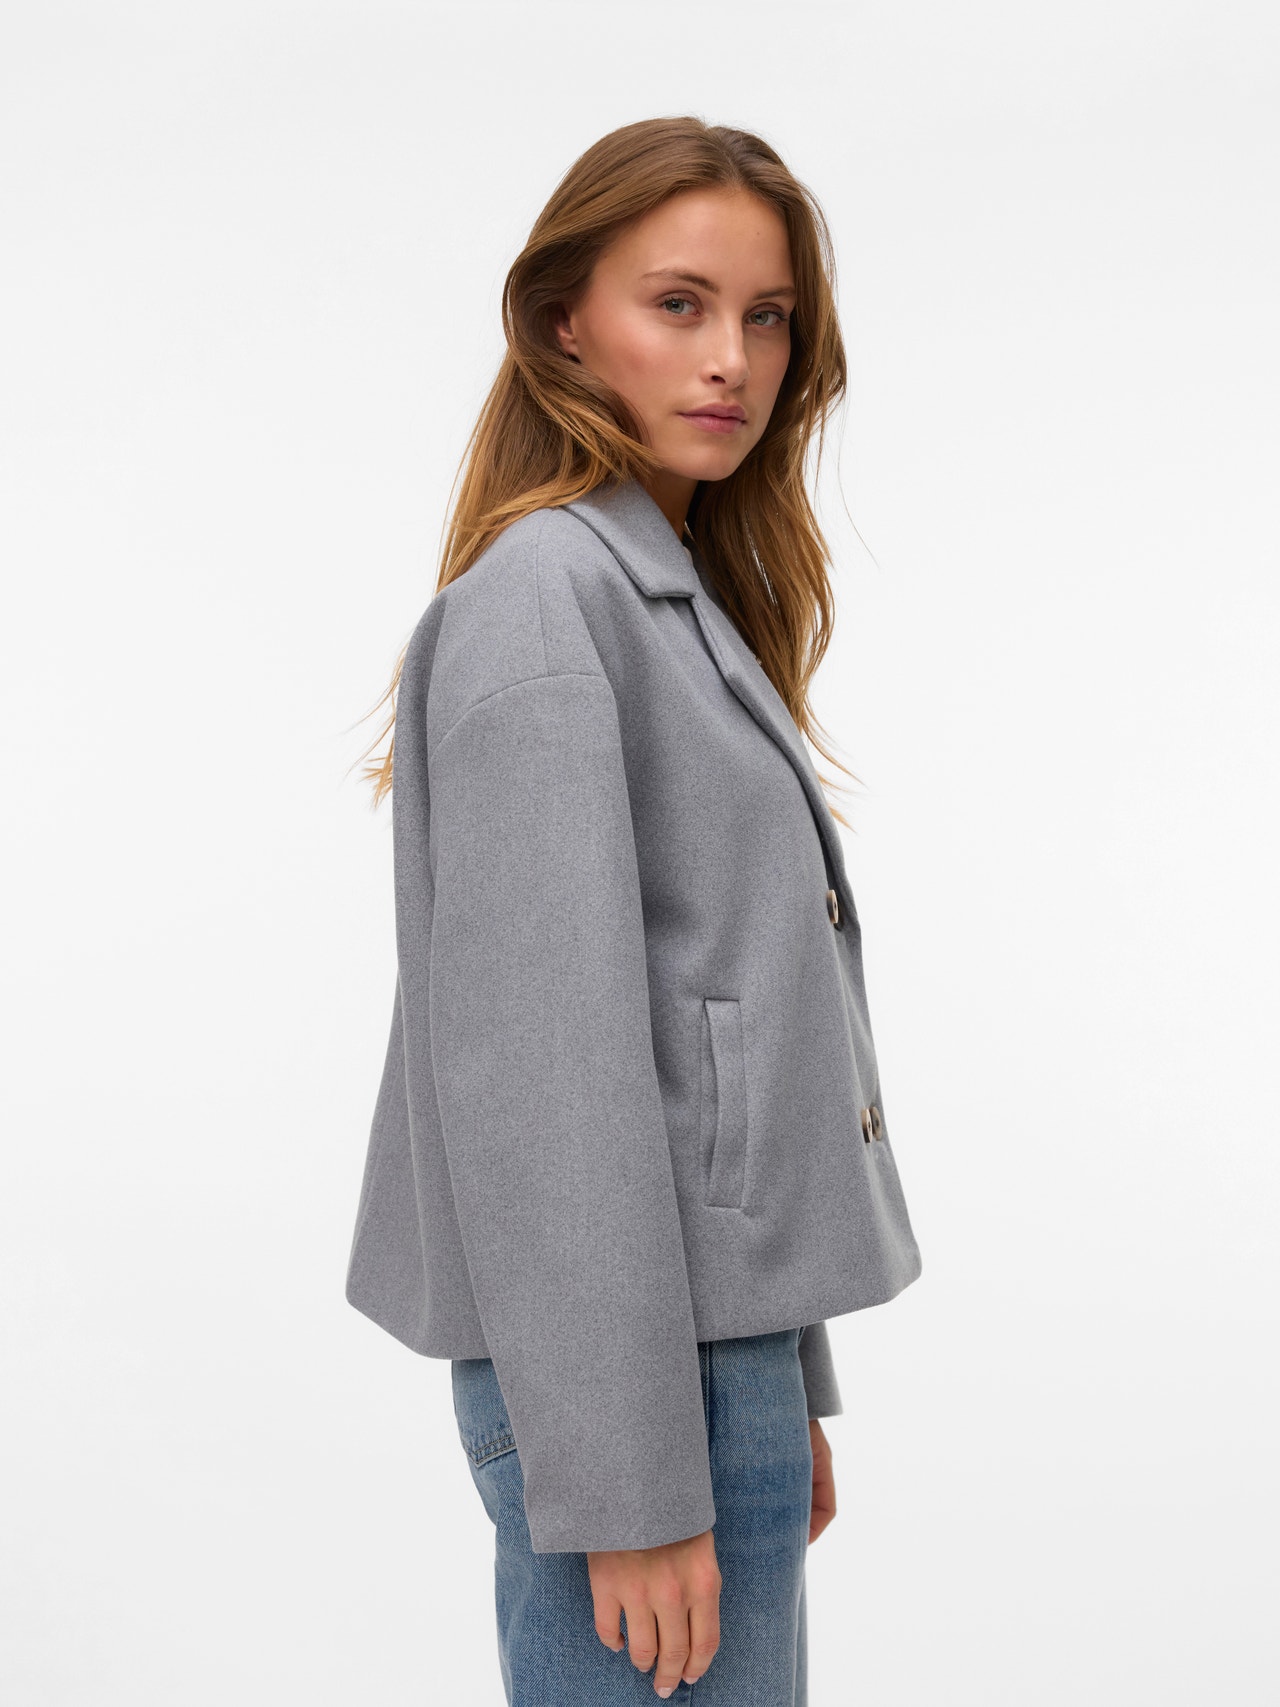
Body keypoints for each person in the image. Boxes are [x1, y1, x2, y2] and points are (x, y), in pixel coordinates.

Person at [344, 115, 923, 1704]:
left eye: (767, 315)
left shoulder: (665, 593)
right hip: (630, 1392)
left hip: (701, 1371)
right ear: (561, 325)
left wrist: (782, 1372)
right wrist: (628, 1486)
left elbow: (718, 1024)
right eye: (679, 304)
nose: (732, 357)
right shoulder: (545, 607)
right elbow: (550, 1084)